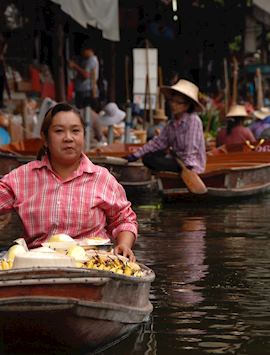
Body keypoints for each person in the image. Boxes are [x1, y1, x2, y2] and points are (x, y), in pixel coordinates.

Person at [0, 103, 138, 261]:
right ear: (45, 139)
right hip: (38, 266)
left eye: (75, 131)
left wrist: (124, 245)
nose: (68, 138)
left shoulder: (102, 178)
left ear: (83, 136)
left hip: (93, 265)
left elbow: (124, 219)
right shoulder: (22, 178)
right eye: (59, 131)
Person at [124, 79, 206, 174]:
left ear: (187, 106)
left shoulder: (193, 121)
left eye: (178, 102)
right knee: (148, 157)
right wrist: (135, 155)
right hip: (177, 161)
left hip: (189, 166)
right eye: (172, 101)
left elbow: (191, 150)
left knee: (151, 160)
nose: (173, 105)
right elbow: (157, 142)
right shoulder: (171, 124)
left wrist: (188, 170)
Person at [69, 46, 99, 111]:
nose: (82, 53)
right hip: (82, 90)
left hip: (86, 91)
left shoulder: (92, 60)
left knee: (84, 111)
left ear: (89, 50)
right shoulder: (86, 60)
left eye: (84, 51)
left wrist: (75, 66)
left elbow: (86, 75)